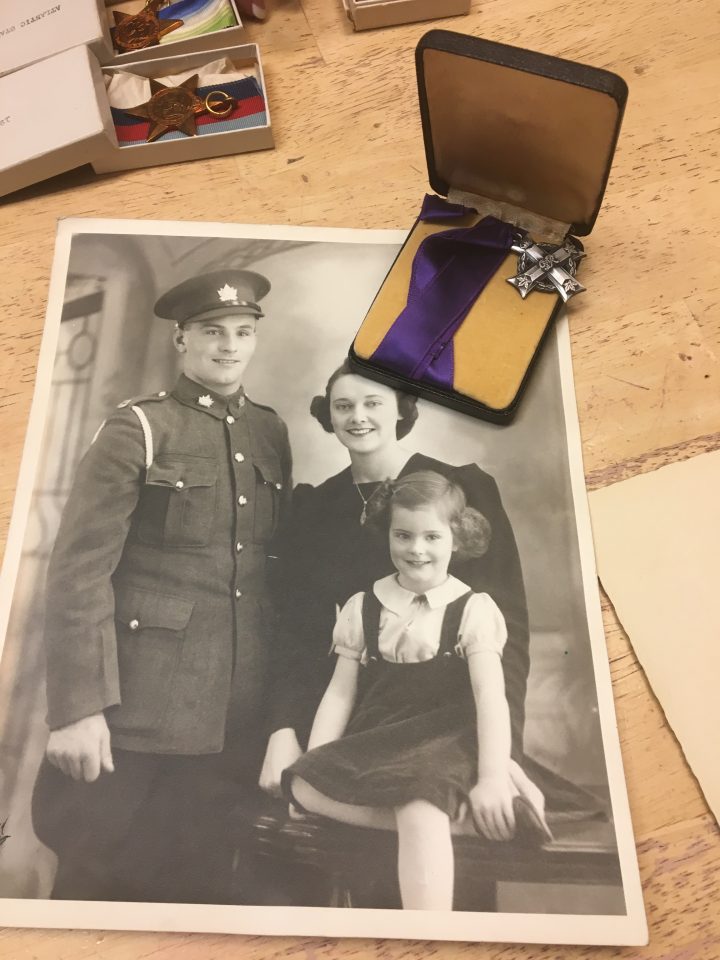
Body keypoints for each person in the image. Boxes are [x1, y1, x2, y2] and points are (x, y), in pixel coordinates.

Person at [31, 269, 293, 904]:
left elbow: (267, 577)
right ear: (181, 340)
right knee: (96, 884)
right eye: (212, 331)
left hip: (233, 720)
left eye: (242, 332)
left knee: (197, 895)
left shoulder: (270, 432)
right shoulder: (139, 428)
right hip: (135, 716)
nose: (228, 346)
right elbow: (77, 571)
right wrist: (78, 708)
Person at [260, 362, 533, 803]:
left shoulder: (461, 488)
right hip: (352, 720)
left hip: (447, 727)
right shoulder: (317, 508)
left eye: (373, 403)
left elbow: (509, 632)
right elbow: (297, 630)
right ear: (328, 416)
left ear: (401, 411)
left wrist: (504, 757)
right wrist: (284, 726)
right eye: (343, 406)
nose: (357, 417)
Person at [283, 471, 546, 910]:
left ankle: (427, 933)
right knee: (302, 787)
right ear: (387, 534)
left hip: (445, 741)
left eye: (431, 536)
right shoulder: (362, 605)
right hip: (379, 739)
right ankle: (455, 820)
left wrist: (492, 776)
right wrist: (317, 763)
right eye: (403, 535)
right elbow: (340, 695)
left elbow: (489, 698)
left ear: (456, 539)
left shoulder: (472, 609)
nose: (416, 549)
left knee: (420, 802)